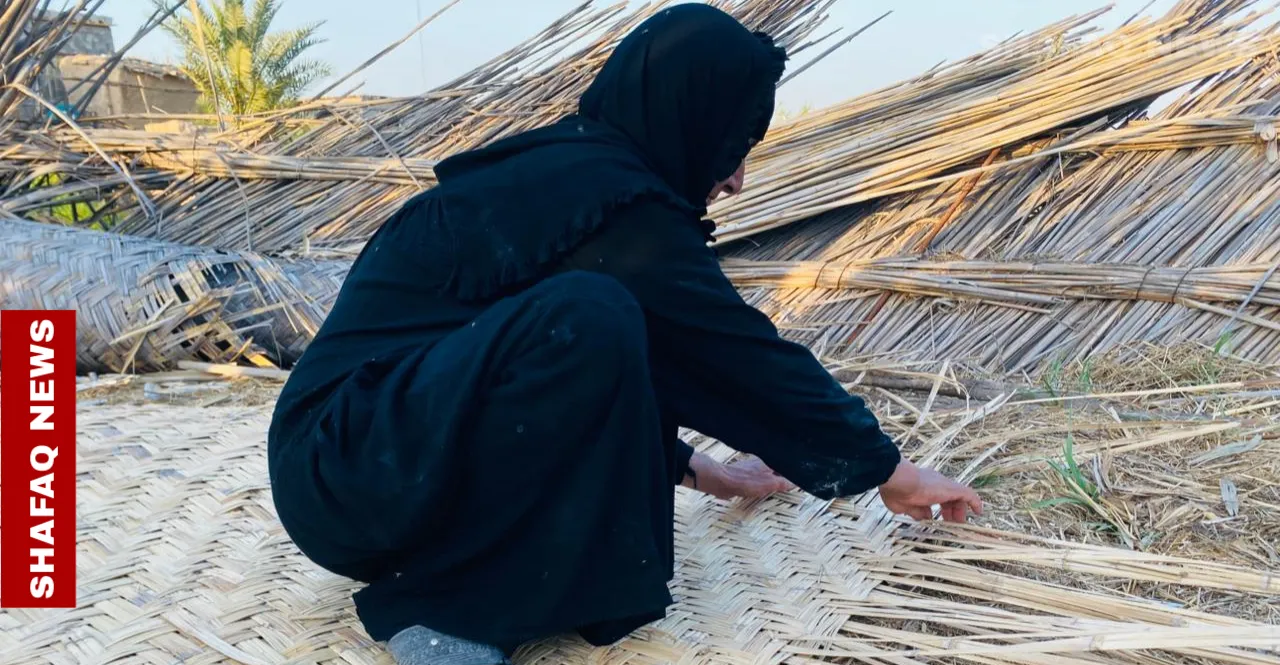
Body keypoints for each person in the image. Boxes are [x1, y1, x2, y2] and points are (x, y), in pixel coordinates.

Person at [267, 5, 982, 665]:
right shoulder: (607, 201)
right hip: (346, 467)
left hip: (376, 463)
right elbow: (736, 354)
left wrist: (702, 471)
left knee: (606, 321)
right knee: (591, 314)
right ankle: (448, 615)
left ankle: (465, 575)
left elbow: (534, 383)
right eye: (733, 144)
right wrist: (891, 472)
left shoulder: (577, 183)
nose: (736, 179)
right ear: (687, 119)